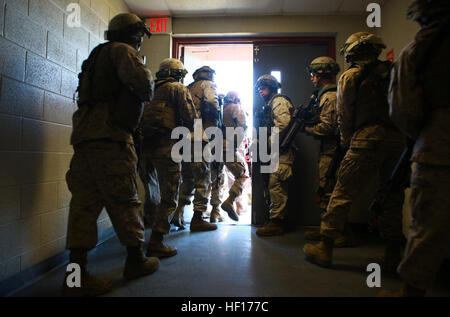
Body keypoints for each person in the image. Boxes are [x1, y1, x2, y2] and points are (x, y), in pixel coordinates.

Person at [64, 13, 158, 296]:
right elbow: (145, 88)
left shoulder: (97, 55)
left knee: (82, 205)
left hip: (85, 138)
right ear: (133, 34)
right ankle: (135, 261)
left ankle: (75, 278)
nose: (140, 41)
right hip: (112, 138)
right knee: (126, 199)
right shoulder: (123, 52)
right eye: (139, 35)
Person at [303, 32, 406, 270]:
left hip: (365, 138)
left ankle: (326, 246)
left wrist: (346, 141)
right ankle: (392, 252)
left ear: (352, 52)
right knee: (392, 195)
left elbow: (344, 114)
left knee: (342, 192)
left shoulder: (351, 76)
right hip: (396, 140)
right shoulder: (394, 71)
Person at [378, 0, 450, 297]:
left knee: (427, 224)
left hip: (437, 147)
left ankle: (412, 290)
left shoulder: (417, 50)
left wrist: (425, 133)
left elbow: (404, 111)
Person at [140, 58, 198, 257]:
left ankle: (143, 235)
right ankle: (156, 241)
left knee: (151, 192)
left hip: (143, 147)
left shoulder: (149, 87)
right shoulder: (178, 88)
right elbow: (191, 119)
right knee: (169, 194)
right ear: (179, 74)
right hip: (167, 146)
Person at [302, 57, 355, 247]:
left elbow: (327, 128)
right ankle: (328, 228)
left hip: (333, 151)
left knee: (331, 191)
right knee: (326, 189)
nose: (311, 79)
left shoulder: (330, 96)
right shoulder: (326, 95)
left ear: (320, 74)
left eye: (313, 75)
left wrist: (305, 128)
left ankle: (338, 232)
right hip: (329, 150)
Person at [172, 66, 221, 231]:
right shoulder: (207, 84)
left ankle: (178, 212)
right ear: (210, 76)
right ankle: (198, 218)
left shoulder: (187, 87)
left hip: (184, 137)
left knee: (187, 177)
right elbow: (213, 103)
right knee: (203, 177)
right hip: (200, 137)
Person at [255, 75, 295, 236]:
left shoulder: (279, 102)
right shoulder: (269, 104)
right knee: (271, 185)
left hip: (281, 151)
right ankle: (275, 218)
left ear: (271, 87)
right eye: (258, 88)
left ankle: (278, 221)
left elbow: (283, 125)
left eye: (263, 87)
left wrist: (268, 142)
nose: (260, 90)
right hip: (273, 151)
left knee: (276, 184)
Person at [209, 91, 248, 223]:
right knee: (243, 175)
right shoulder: (236, 108)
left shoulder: (220, 109)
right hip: (228, 146)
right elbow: (243, 127)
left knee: (217, 179)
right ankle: (229, 201)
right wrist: (235, 145)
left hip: (214, 147)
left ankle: (214, 213)